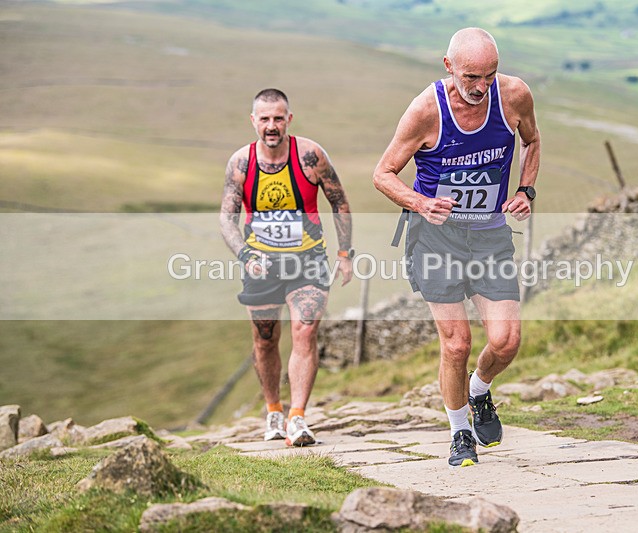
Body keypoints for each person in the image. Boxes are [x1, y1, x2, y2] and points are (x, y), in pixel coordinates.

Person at [373, 28, 541, 467]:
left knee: (505, 341)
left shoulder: (514, 96)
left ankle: (479, 391)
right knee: (456, 344)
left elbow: (532, 141)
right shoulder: (425, 110)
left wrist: (526, 190)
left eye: (490, 75)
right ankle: (460, 432)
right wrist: (420, 202)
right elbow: (384, 173)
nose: (481, 87)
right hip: (436, 239)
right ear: (448, 67)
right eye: (471, 77)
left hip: (489, 236)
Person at [220, 88, 353, 446]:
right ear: (253, 121)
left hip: (307, 260)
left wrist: (344, 254)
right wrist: (246, 255)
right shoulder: (241, 163)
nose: (272, 126)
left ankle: (298, 417)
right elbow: (227, 219)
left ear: (289, 119)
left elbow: (339, 201)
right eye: (264, 119)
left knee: (305, 331)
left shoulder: (311, 156)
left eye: (278, 118)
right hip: (260, 264)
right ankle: (274, 411)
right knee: (265, 341)